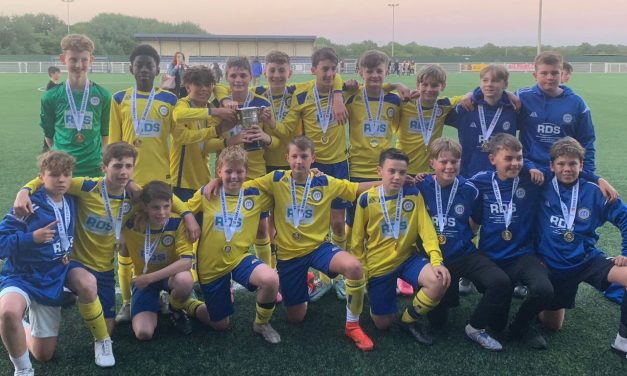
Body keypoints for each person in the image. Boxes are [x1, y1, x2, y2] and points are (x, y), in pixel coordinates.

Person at [203, 136, 379, 350]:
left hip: (317, 248)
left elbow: (356, 188)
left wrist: (386, 182)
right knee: (296, 318)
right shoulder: (276, 179)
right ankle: (305, 281)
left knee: (353, 267)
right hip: (288, 256)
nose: (299, 161)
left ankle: (353, 326)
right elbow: (240, 182)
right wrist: (216, 180)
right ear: (287, 158)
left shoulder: (324, 182)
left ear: (313, 158)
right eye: (294, 156)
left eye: (304, 156)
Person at [12, 142, 143, 368]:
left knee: (107, 326)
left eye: (128, 167)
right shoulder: (86, 186)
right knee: (85, 285)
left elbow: (165, 201)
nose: (123, 171)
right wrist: (24, 190)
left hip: (104, 268)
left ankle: (88, 319)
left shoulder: (134, 197)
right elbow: (50, 179)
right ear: (104, 167)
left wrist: (188, 214)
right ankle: (100, 339)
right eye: (117, 166)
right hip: (73, 263)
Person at [416, 138, 512, 351]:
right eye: (443, 161)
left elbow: (476, 218)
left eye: (455, 161)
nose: (449, 167)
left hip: (463, 254)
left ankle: (475, 328)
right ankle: (438, 293)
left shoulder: (470, 189)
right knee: (438, 324)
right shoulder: (419, 186)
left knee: (500, 281)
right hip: (431, 259)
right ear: (432, 162)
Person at [534, 137, 627, 355]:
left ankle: (623, 340)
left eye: (573, 164)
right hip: (553, 266)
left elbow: (625, 218)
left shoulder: (595, 191)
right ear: (552, 166)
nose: (567, 169)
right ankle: (543, 302)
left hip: (586, 260)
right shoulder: (541, 185)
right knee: (552, 326)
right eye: (561, 164)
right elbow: (520, 169)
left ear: (581, 166)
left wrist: (625, 253)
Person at [272, 48, 351, 301]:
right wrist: (269, 126)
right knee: (313, 223)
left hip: (338, 164)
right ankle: (316, 276)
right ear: (313, 69)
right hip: (311, 167)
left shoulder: (345, 91)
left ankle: (335, 278)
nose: (329, 74)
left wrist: (338, 93)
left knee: (338, 222)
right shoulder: (302, 93)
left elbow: (362, 82)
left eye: (333, 69)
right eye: (324, 69)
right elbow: (285, 128)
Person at [351, 148, 450, 349]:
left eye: (402, 172)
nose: (397, 177)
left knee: (439, 281)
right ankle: (382, 296)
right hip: (379, 265)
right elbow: (357, 240)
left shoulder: (413, 194)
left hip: (408, 258)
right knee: (383, 324)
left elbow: (426, 229)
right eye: (391, 171)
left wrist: (436, 260)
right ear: (379, 171)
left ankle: (408, 320)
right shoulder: (366, 200)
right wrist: (364, 271)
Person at [187, 146, 282, 343]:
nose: (234, 176)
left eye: (239, 171)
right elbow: (182, 209)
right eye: (228, 171)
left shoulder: (254, 194)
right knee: (220, 325)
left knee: (271, 279)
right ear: (219, 171)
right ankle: (188, 304)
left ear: (246, 172)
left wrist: (312, 173)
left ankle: (261, 323)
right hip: (210, 265)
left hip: (239, 259)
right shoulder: (207, 193)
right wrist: (189, 217)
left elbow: (286, 182)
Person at [469, 133, 553, 349]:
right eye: (508, 158)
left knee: (544, 290)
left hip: (522, 256)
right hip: (491, 257)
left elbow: (566, 171)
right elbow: (452, 186)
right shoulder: (480, 181)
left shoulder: (532, 180)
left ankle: (522, 325)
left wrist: (598, 180)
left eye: (519, 158)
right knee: (496, 325)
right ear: (492, 159)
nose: (515, 163)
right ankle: (498, 303)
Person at [0, 151, 77, 376]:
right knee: (8, 312)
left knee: (43, 355)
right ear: (41, 177)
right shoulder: (26, 206)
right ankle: (23, 370)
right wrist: (30, 239)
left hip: (51, 280)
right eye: (54, 175)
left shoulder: (74, 201)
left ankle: (17, 326)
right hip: (21, 276)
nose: (61, 179)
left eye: (66, 174)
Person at [121, 181, 200, 340]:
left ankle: (176, 310)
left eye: (166, 206)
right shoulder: (130, 224)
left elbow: (186, 262)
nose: (162, 212)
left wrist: (148, 278)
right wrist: (128, 182)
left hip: (167, 278)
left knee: (185, 280)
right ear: (144, 207)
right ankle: (156, 301)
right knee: (144, 333)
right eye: (155, 207)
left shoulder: (177, 222)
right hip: (145, 282)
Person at [40, 34, 111, 177]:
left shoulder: (103, 96)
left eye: (84, 60)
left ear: (91, 60)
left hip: (93, 170)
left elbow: (105, 134)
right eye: (73, 59)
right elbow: (49, 136)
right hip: (62, 172)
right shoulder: (50, 97)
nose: (78, 65)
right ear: (63, 59)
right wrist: (62, 157)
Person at [170, 65, 236, 203]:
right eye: (198, 84)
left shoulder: (210, 106)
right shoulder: (184, 104)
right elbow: (183, 134)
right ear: (188, 88)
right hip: (181, 181)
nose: (204, 89)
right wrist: (215, 116)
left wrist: (228, 141)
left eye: (207, 84)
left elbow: (207, 146)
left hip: (204, 180)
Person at [446, 65, 517, 178]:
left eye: (495, 81)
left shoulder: (513, 109)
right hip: (468, 174)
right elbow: (439, 112)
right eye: (485, 80)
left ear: (505, 84)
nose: (489, 84)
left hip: (500, 176)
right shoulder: (466, 107)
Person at [396, 65, 463, 178]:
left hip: (430, 171)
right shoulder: (404, 102)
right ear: (418, 85)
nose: (429, 89)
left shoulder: (444, 104)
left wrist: (470, 95)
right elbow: (377, 92)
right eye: (425, 84)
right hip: (403, 168)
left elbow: (474, 95)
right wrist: (395, 85)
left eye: (434, 85)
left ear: (443, 86)